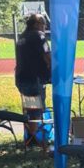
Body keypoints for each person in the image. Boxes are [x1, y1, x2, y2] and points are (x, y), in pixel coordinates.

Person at [14, 13, 52, 147]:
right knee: (35, 111)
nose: (45, 26)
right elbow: (47, 56)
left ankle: (30, 137)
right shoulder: (38, 36)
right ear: (36, 24)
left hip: (22, 77)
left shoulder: (22, 37)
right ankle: (35, 140)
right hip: (34, 78)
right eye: (43, 24)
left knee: (29, 109)